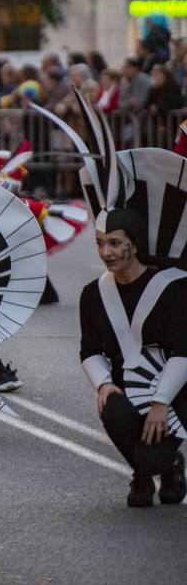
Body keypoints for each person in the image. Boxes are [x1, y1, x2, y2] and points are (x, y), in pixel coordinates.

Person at [78, 209, 187, 508]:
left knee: (151, 459)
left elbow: (184, 350)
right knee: (111, 407)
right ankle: (145, 472)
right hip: (127, 387)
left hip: (177, 394)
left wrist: (161, 402)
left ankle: (164, 465)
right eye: (100, 243)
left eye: (114, 243)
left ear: (134, 245)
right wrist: (103, 384)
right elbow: (89, 351)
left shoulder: (174, 287)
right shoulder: (93, 294)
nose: (106, 252)